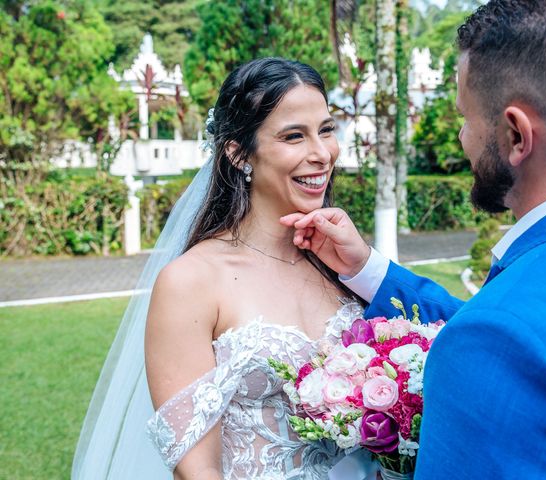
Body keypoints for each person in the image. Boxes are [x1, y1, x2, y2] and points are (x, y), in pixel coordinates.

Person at [282, 1, 546, 478]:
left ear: (516, 135)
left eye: (465, 118)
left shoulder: (499, 342)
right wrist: (368, 268)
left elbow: (503, 341)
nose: (461, 137)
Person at [72, 57, 367, 480]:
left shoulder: (344, 264)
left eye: (325, 130)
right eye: (293, 136)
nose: (321, 154)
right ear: (239, 154)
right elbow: (196, 470)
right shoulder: (191, 282)